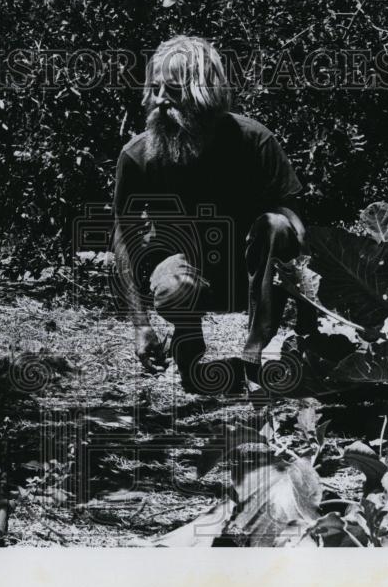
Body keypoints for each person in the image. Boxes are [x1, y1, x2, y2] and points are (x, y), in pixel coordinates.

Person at [111, 35, 314, 394]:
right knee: (175, 282)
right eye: (155, 89)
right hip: (186, 276)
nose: (159, 100)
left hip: (253, 279)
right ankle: (189, 350)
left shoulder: (255, 141)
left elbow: (295, 225)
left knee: (277, 223)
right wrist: (140, 324)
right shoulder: (137, 156)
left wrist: (310, 321)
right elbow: (124, 238)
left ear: (204, 93)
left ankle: (254, 354)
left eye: (172, 90)